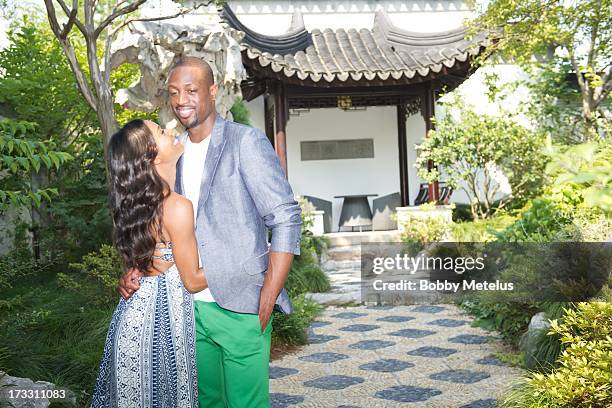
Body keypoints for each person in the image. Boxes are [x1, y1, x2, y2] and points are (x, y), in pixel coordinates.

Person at [118, 57, 302, 407]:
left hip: (241, 306)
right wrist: (137, 268)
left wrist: (269, 293)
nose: (181, 99)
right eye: (174, 92)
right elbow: (159, 225)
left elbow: (285, 218)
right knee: (206, 402)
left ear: (213, 91)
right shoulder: (171, 153)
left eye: (191, 89)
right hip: (185, 311)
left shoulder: (244, 142)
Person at [92, 119, 207, 407]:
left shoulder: (144, 205)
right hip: (159, 332)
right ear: (151, 156)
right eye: (160, 131)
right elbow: (192, 280)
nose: (170, 130)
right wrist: (245, 259)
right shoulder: (176, 207)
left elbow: (148, 263)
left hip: (133, 324)